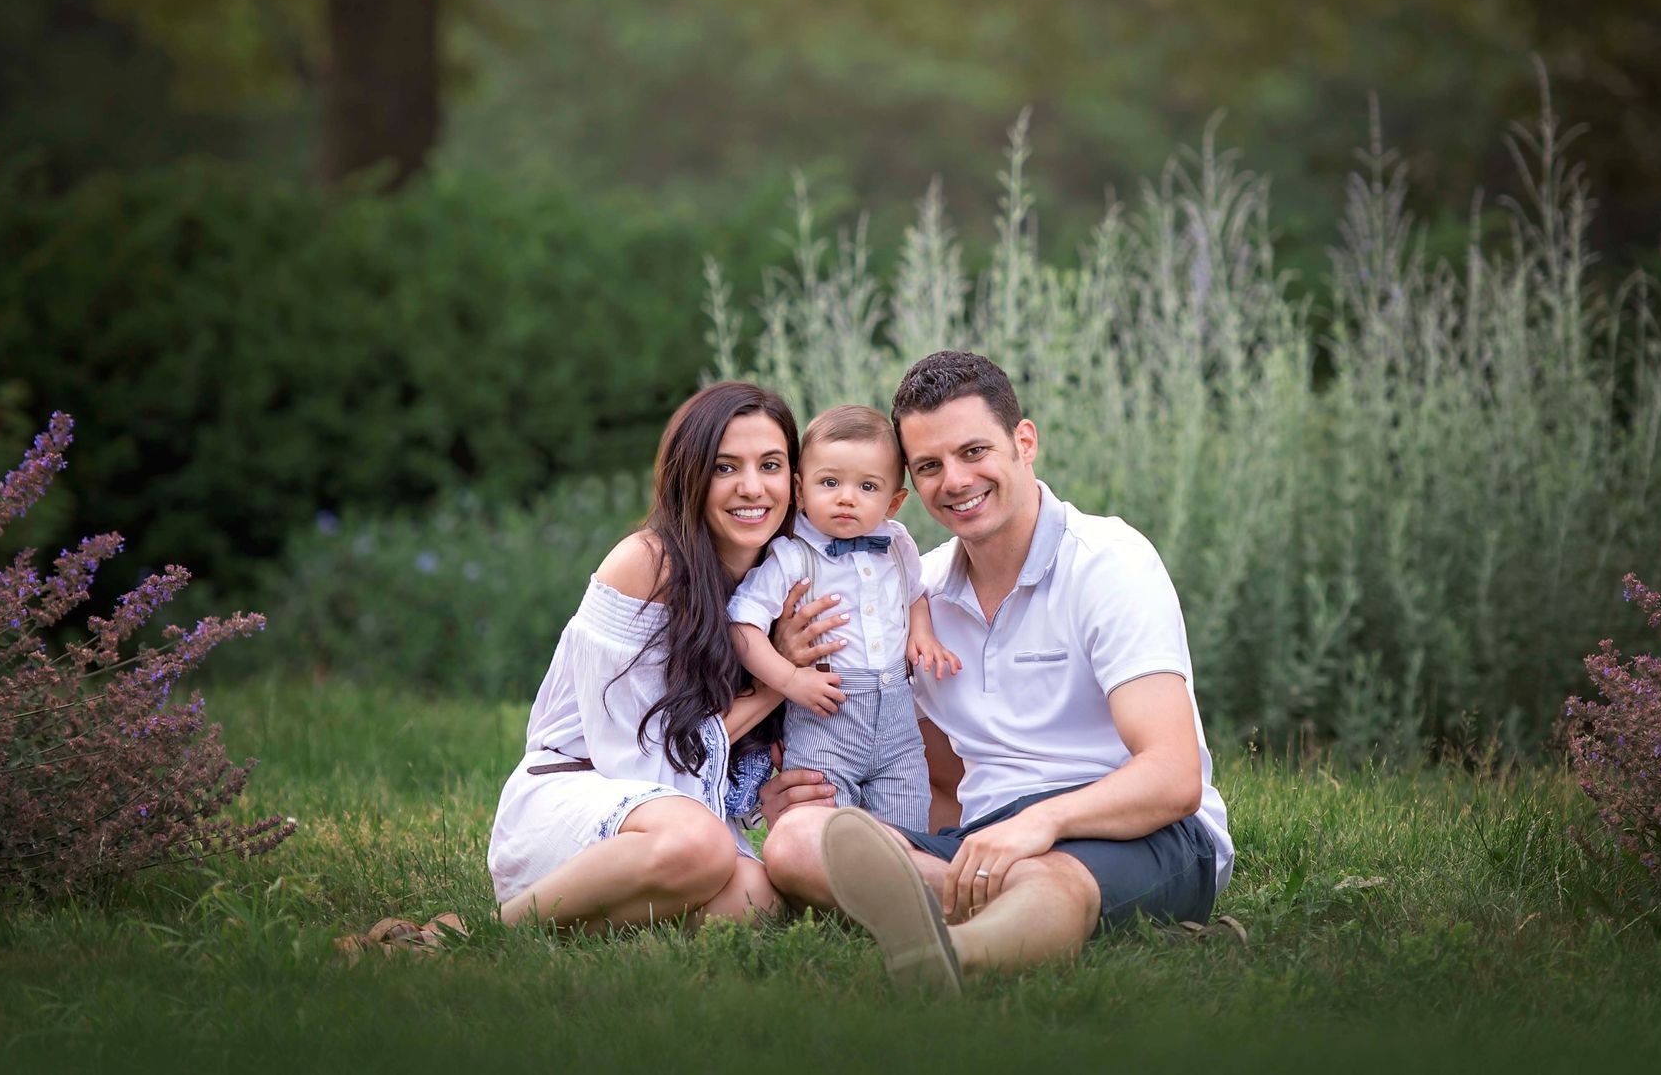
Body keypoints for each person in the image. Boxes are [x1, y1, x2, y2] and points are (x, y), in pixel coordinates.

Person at [760, 351, 1233, 992]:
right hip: (983, 837)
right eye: (929, 466)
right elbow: (919, 760)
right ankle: (993, 911)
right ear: (910, 485)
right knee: (796, 842)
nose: (954, 480)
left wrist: (1040, 823)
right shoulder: (913, 590)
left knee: (1049, 874)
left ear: (1024, 441)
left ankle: (952, 955)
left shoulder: (1109, 562)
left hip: (1147, 833)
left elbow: (1173, 778)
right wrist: (809, 781)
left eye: (974, 451)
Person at [487, 381, 846, 930]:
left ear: (793, 482)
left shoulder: (781, 577)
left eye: (770, 465)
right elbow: (639, 763)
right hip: (581, 803)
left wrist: (769, 798)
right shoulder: (646, 566)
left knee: (761, 899)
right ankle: (494, 930)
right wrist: (778, 676)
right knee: (701, 845)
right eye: (726, 468)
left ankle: (578, 930)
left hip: (674, 829)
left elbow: (723, 769)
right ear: (691, 476)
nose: (752, 488)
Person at [727, 405, 961, 830]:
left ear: (894, 501)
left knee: (905, 816)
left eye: (867, 486)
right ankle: (827, 882)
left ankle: (898, 885)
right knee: (824, 826)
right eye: (829, 482)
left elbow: (916, 594)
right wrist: (791, 679)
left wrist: (921, 635)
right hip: (825, 717)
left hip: (896, 719)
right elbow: (742, 628)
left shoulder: (896, 544)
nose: (846, 497)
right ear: (800, 489)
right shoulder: (792, 556)